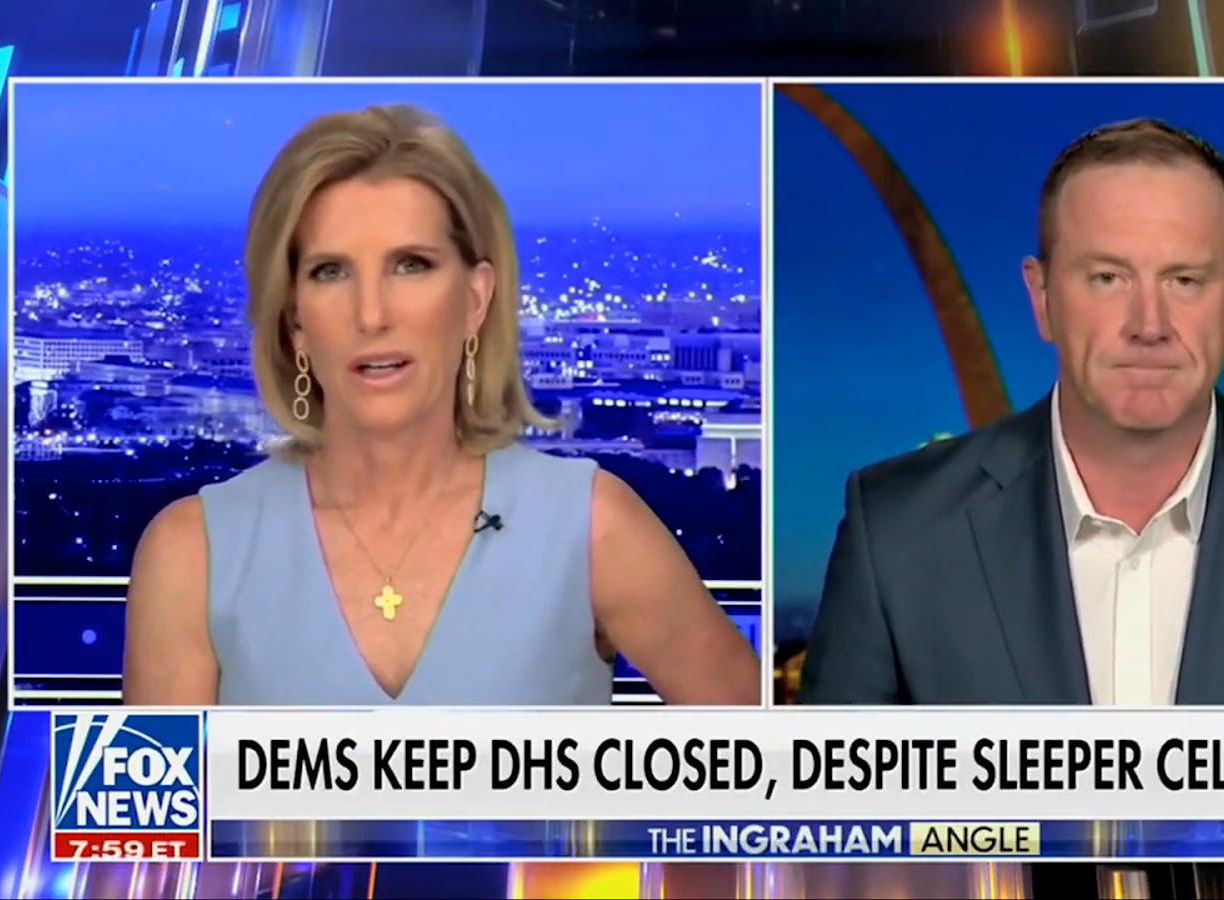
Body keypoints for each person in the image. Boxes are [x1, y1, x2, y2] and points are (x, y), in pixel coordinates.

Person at [799, 118, 1224, 706]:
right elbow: (836, 807)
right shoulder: (895, 531)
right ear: (1041, 297)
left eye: (1184, 280)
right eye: (1107, 278)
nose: (1149, 325)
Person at [122, 104, 761, 706]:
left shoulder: (592, 527)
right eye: (330, 272)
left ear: (475, 300)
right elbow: (152, 794)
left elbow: (778, 766)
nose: (372, 314)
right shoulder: (193, 554)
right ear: (295, 323)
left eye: (411, 265)